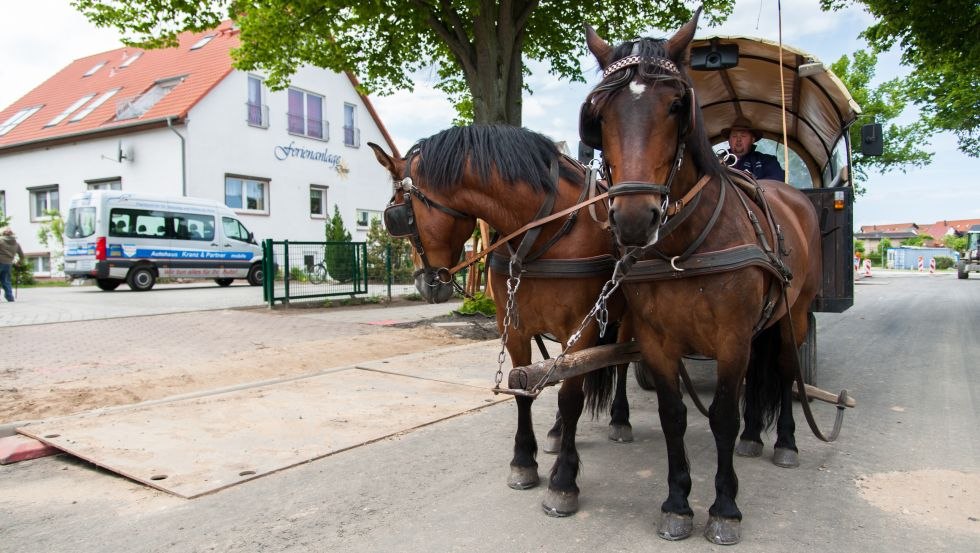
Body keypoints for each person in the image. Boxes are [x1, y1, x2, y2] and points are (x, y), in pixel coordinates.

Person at [721, 115, 784, 181]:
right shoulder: (716, 162)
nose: (738, 139)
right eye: (734, 136)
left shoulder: (767, 161)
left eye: (743, 136)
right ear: (729, 140)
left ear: (752, 140)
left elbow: (776, 182)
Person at [0, 227, 25, 302]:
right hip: (8, 264)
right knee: (6, 281)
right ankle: (10, 297)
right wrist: (19, 262)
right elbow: (22, 256)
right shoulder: (16, 244)